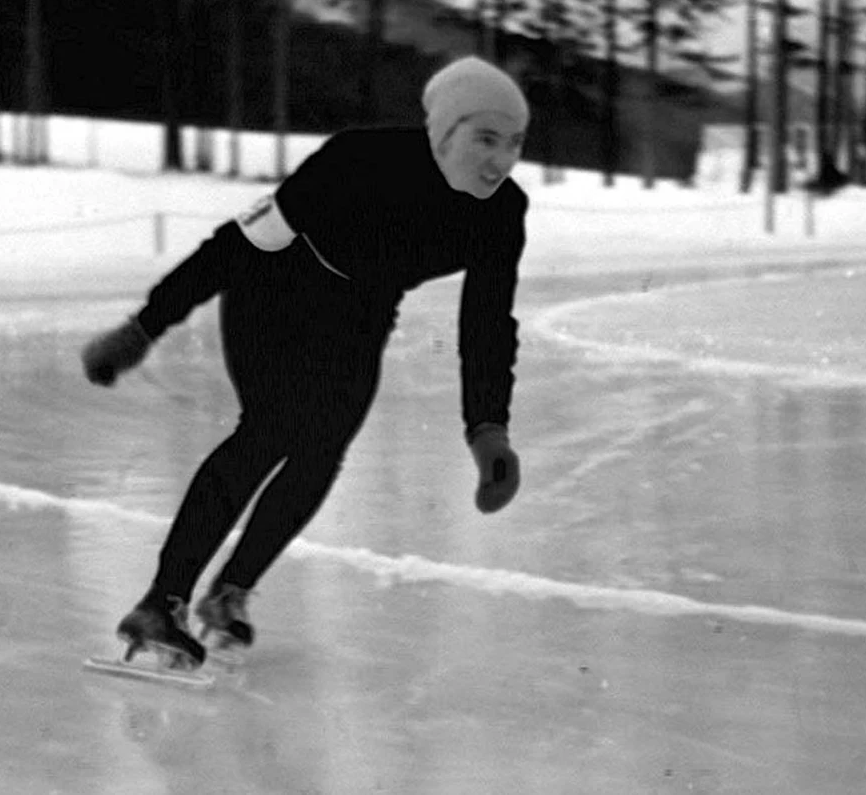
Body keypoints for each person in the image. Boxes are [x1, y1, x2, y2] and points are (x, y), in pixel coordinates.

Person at [81, 55, 530, 669]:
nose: (501, 161)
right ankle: (163, 601)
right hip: (274, 290)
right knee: (271, 430)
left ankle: (229, 594)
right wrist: (146, 326)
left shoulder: (502, 211)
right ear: (445, 132)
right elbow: (237, 244)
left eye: (515, 143)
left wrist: (487, 428)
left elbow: (487, 324)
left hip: (361, 315)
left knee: (323, 448)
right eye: (486, 139)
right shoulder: (358, 159)